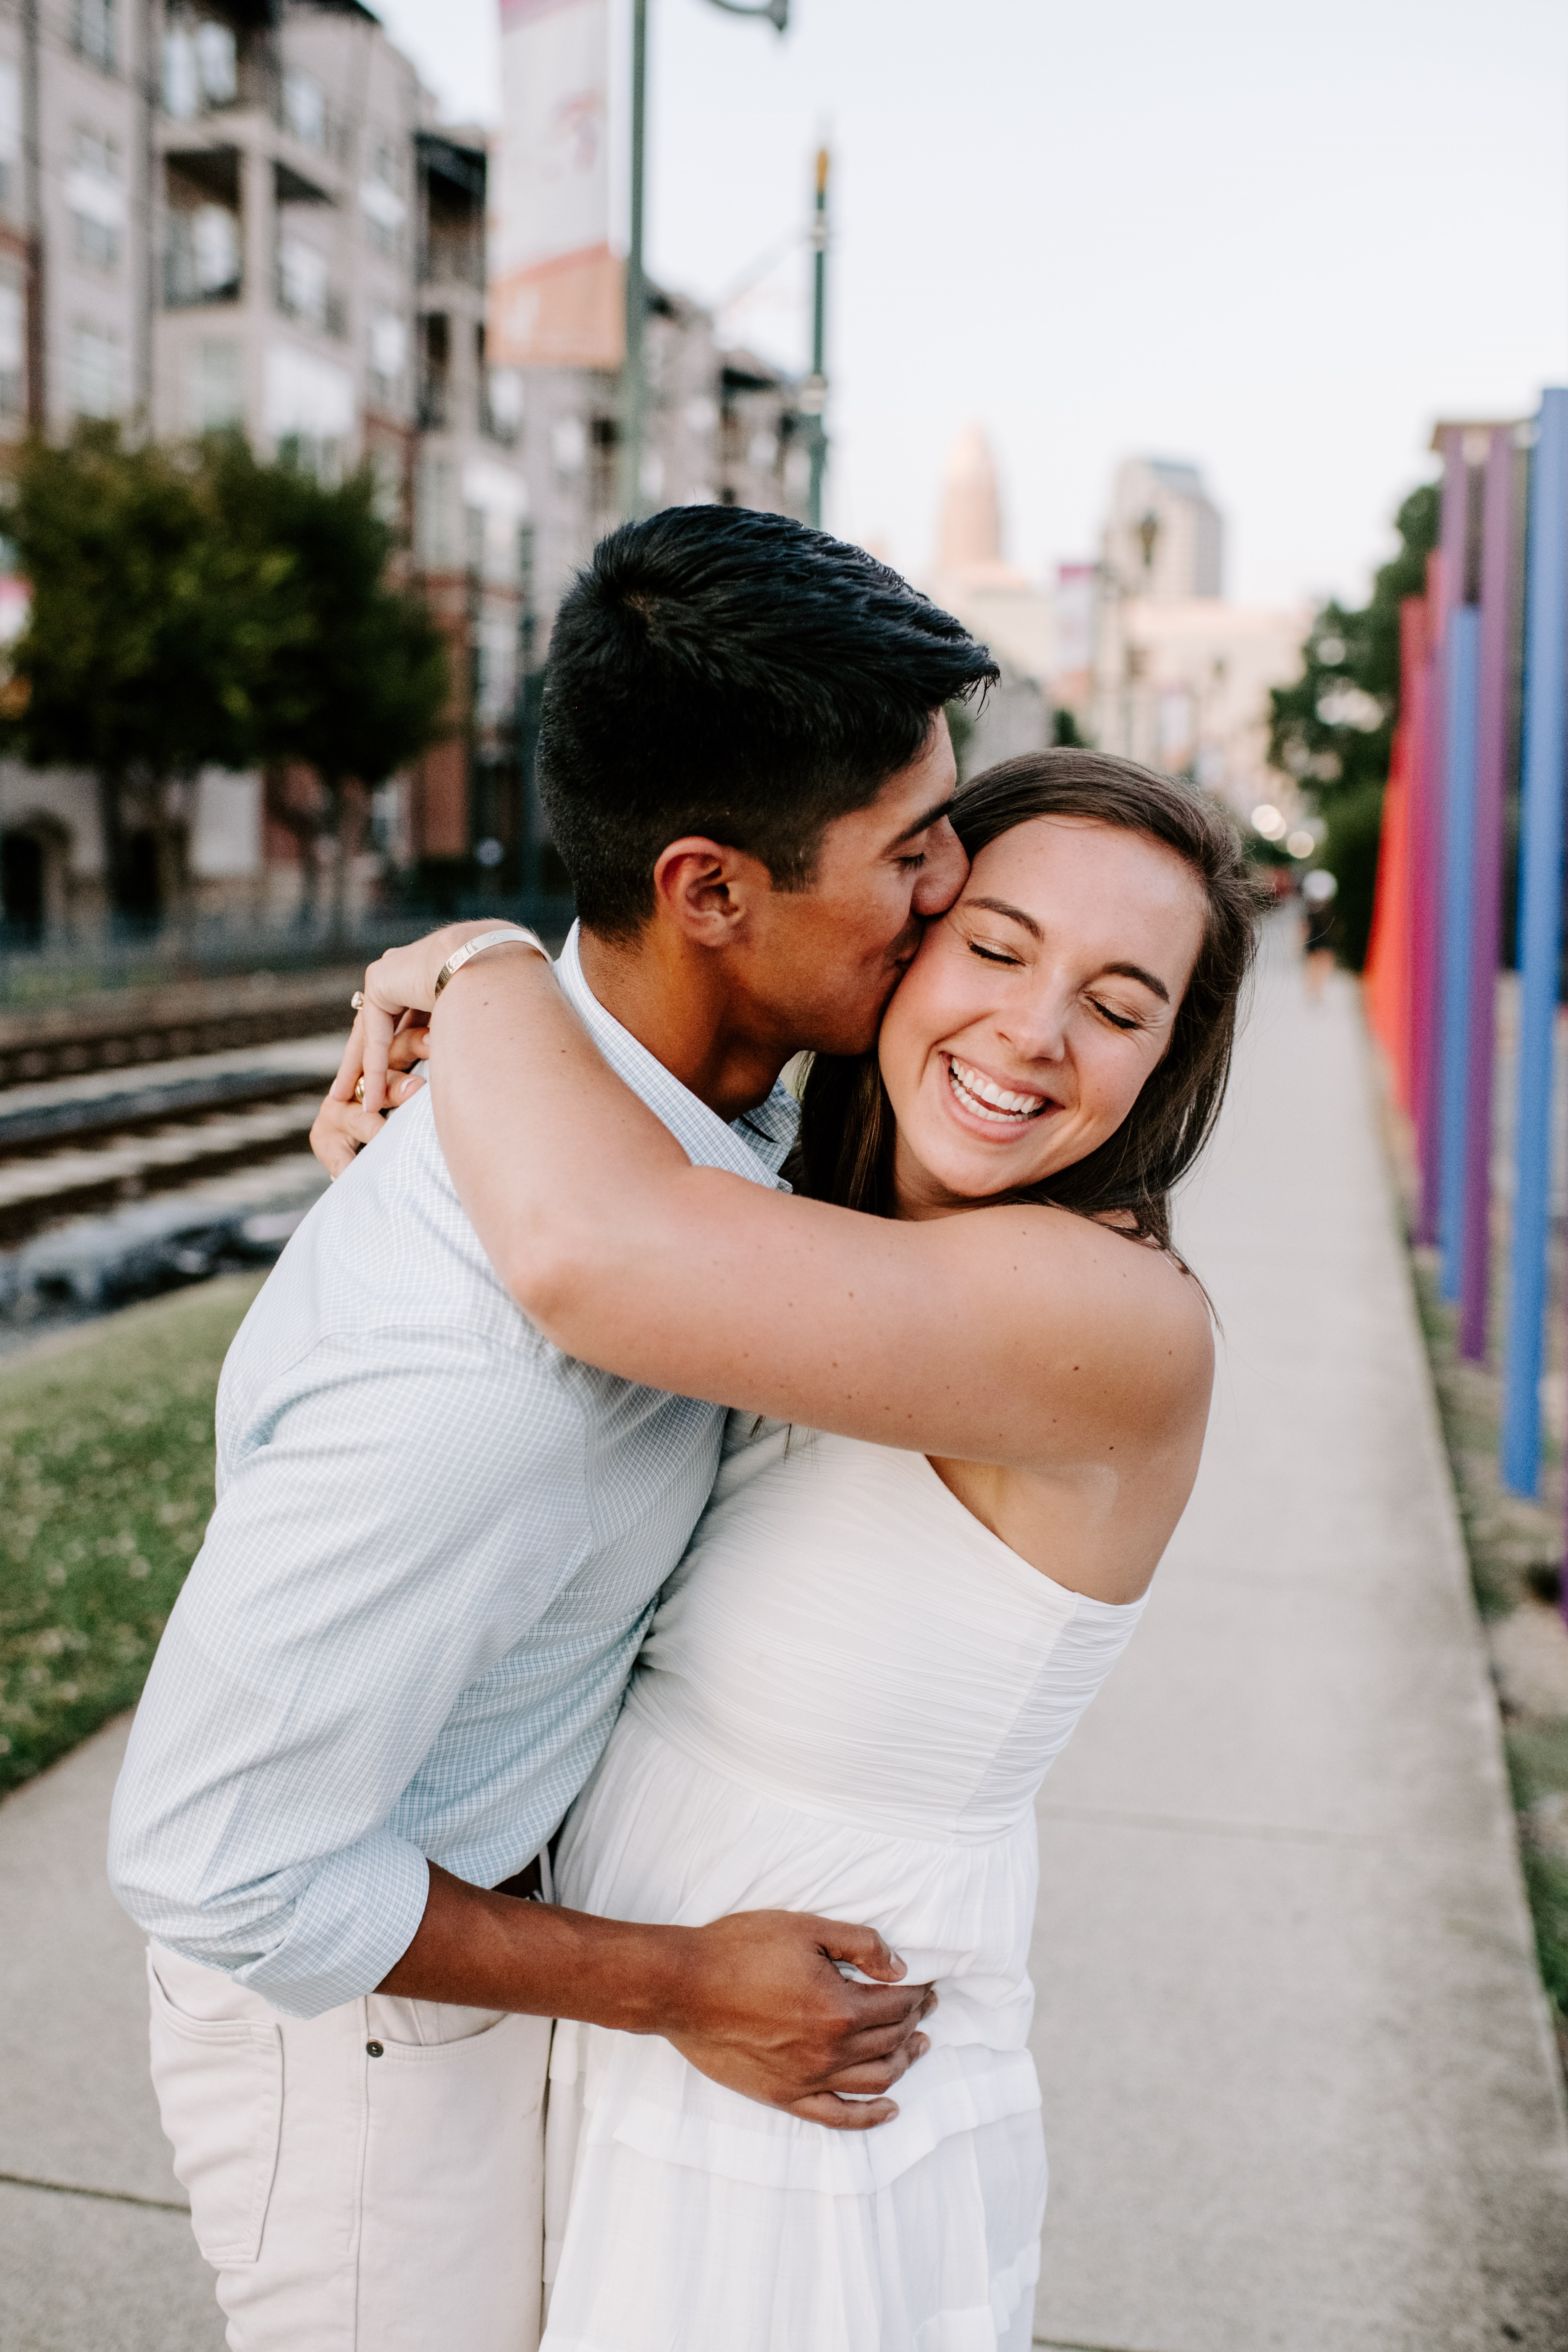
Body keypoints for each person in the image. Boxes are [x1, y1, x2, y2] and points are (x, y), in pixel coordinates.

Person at [106, 506, 1000, 2352]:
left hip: (486, 1957)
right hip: (365, 2040)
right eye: (910, 845)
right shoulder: (481, 1378)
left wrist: (480, 962)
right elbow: (218, 1860)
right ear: (709, 890)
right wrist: (680, 1982)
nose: (956, 880)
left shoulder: (666, 1108)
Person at [349, 748, 1261, 2352]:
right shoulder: (811, 1218)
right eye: (996, 947)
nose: (1035, 1034)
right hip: (651, 2038)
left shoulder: (1111, 1323)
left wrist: (481, 965)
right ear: (905, 938)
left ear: (1167, 1062)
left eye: (1120, 1006)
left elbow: (588, 1248)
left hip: (812, 2100)